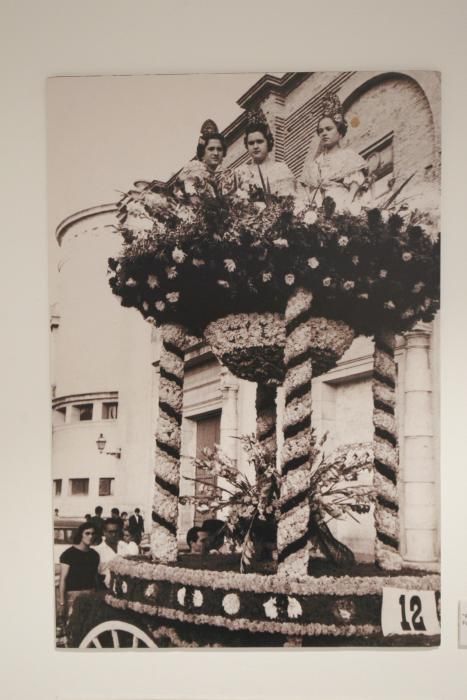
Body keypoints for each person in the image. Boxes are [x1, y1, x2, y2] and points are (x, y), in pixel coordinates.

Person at [301, 92, 367, 213]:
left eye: (329, 129)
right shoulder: (315, 164)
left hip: (342, 205)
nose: (324, 133)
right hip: (320, 208)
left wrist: (347, 206)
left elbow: (355, 185)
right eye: (321, 131)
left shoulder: (348, 157)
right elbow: (309, 193)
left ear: (339, 131)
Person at [235, 108, 295, 198]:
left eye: (259, 141)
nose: (255, 146)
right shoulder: (240, 173)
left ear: (268, 142)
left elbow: (292, 201)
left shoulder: (281, 169)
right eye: (251, 143)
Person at [58, 522, 99, 621]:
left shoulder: (94, 555)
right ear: (81, 534)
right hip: (73, 596)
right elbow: (63, 579)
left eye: (93, 534)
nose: (90, 536)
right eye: (87, 533)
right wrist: (62, 603)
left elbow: (95, 577)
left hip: (91, 595)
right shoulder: (68, 554)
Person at [176, 119, 227, 198]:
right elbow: (180, 190)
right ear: (203, 152)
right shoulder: (194, 167)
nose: (216, 153)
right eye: (211, 149)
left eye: (219, 149)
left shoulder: (224, 174)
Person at [92, 518, 120, 587]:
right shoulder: (97, 551)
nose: (114, 534)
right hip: (105, 589)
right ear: (104, 532)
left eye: (116, 532)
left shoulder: (125, 547)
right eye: (110, 532)